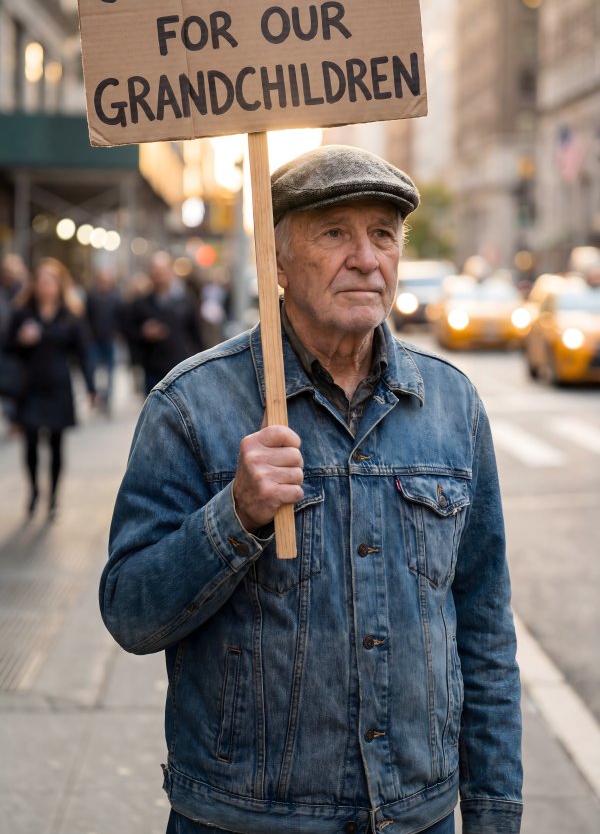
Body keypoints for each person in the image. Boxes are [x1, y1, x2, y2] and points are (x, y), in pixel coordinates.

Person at [100, 145, 522, 834]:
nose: (366, 256)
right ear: (278, 262)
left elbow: (483, 627)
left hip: (417, 816)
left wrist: (496, 813)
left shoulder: (452, 404)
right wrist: (235, 514)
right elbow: (130, 611)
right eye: (334, 232)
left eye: (382, 233)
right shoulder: (191, 405)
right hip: (244, 820)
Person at [5, 258, 96, 519]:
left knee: (56, 443)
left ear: (59, 285)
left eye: (50, 281)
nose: (45, 286)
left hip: (58, 386)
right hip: (30, 386)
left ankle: (54, 497)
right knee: (31, 442)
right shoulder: (23, 313)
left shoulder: (70, 315)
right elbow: (7, 347)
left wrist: (91, 388)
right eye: (41, 281)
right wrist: (22, 341)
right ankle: (34, 490)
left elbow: (83, 352)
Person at [129, 251, 205, 395]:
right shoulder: (142, 303)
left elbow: (197, 333)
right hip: (153, 368)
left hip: (180, 367)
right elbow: (130, 331)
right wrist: (144, 333)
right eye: (156, 271)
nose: (159, 276)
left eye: (162, 271)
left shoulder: (185, 300)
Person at [85, 268, 122, 414]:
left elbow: (120, 317)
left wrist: (117, 332)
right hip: (95, 339)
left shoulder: (115, 298)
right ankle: (97, 396)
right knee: (94, 370)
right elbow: (87, 317)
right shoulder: (92, 297)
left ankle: (107, 399)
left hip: (110, 340)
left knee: (110, 372)